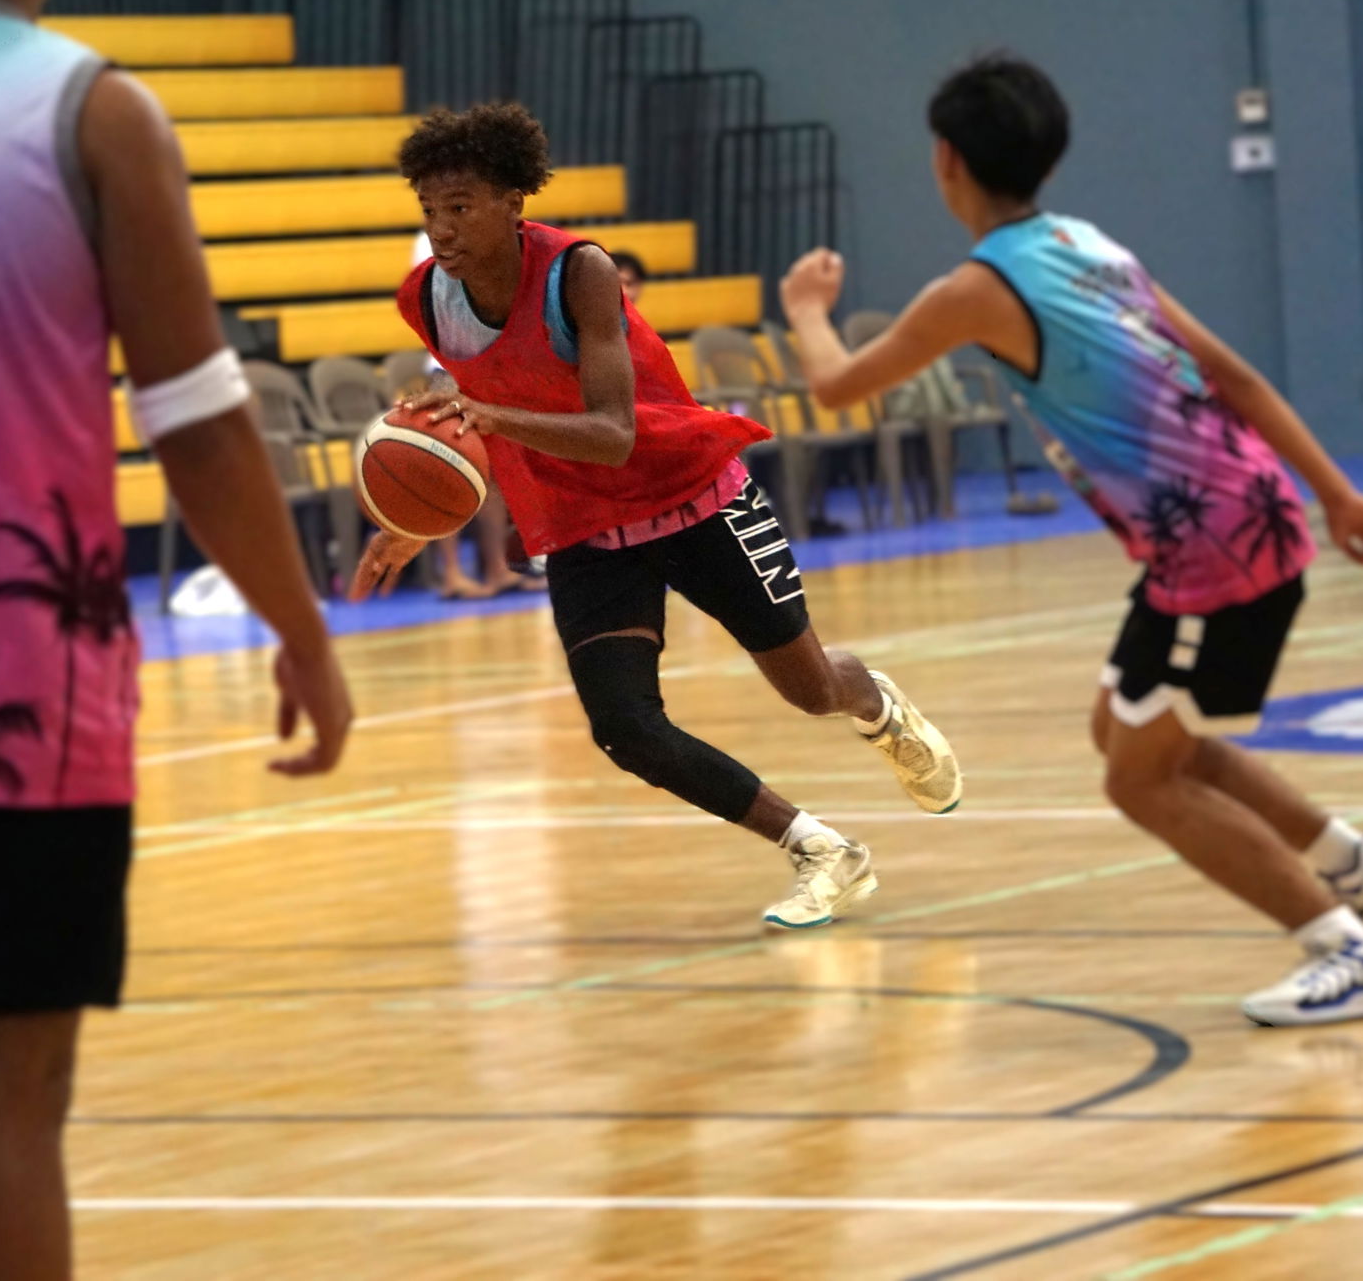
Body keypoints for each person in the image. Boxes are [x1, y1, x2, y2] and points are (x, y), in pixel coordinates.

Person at [0, 0, 354, 1278]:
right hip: (4, 690)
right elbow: (197, 423)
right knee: (7, 1090)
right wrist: (301, 627)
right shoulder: (91, 111)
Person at [781, 51, 1363, 1028]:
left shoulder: (973, 288)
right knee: (1129, 733)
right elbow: (1235, 376)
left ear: (944, 159)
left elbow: (837, 387)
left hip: (1212, 551)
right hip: (1241, 519)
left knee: (1138, 778)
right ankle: (1359, 864)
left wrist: (804, 311)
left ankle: (1345, 946)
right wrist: (1334, 493)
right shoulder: (1089, 243)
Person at [352, 102, 960, 927]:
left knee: (812, 690)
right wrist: (415, 514)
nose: (443, 229)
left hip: (686, 493)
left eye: (460, 207)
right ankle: (820, 849)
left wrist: (489, 418)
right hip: (583, 525)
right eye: (429, 211)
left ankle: (876, 708)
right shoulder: (429, 298)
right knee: (625, 729)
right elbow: (471, 433)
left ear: (512, 203)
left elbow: (611, 432)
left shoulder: (580, 272)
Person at [408, 229, 544, 598]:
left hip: (488, 361)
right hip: (448, 365)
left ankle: (497, 568)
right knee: (447, 468)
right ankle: (451, 573)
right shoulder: (431, 241)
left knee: (495, 473)